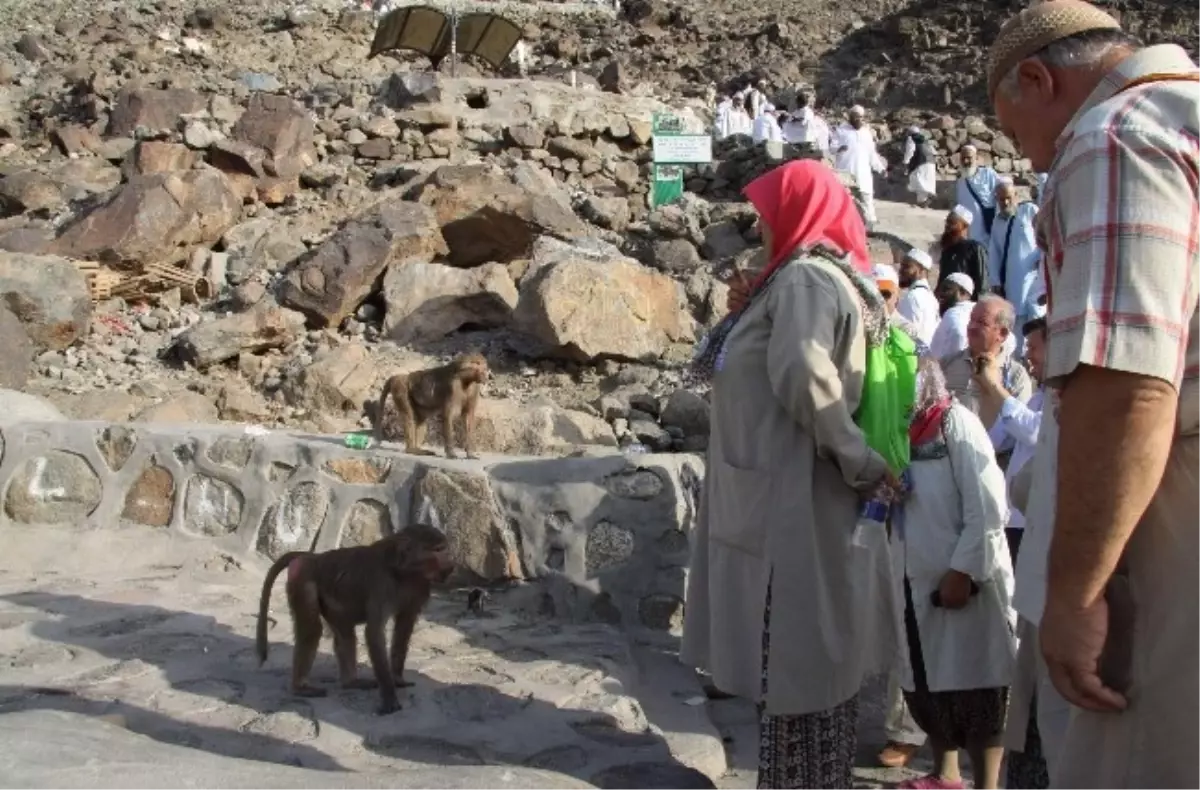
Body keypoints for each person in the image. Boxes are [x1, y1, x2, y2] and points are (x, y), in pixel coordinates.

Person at [988, 3, 1200, 788]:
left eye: (1019, 137)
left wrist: (1075, 591)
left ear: (1040, 79)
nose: (1036, 162)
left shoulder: (1114, 138)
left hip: (1169, 532)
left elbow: (1128, 384)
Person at [681, 159, 898, 790]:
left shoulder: (805, 279)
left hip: (794, 507)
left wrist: (859, 460)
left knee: (798, 680)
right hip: (783, 500)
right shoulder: (799, 281)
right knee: (799, 685)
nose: (761, 226)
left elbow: (806, 377)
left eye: (770, 213)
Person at [890, 356, 1017, 790]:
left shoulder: (955, 423)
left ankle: (985, 784)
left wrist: (963, 571)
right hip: (913, 581)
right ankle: (944, 775)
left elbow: (987, 507)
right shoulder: (896, 433)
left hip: (962, 583)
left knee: (980, 690)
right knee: (926, 686)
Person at [940, 294, 1033, 441]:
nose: (971, 326)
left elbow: (1020, 432)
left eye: (982, 322)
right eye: (971, 319)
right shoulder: (947, 364)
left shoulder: (1015, 376)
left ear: (1002, 334)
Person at [987, 181, 1039, 351]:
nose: (1006, 203)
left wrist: (1043, 259)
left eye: (1009, 198)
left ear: (1016, 196)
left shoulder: (1029, 211)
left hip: (1032, 278)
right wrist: (995, 281)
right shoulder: (998, 222)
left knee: (1035, 318)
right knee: (1015, 321)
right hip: (1010, 280)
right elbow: (994, 252)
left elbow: (1046, 235)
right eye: (1002, 200)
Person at [833, 105, 886, 228]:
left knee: (867, 202)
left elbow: (872, 154)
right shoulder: (841, 130)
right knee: (844, 202)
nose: (859, 120)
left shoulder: (866, 133)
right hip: (845, 172)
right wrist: (838, 148)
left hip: (863, 174)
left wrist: (881, 168)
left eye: (861, 117)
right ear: (850, 117)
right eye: (856, 117)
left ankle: (869, 229)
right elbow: (831, 147)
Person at [936, 206, 988, 300]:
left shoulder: (975, 248)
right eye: (947, 222)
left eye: (952, 223)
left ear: (965, 226)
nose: (948, 226)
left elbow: (982, 284)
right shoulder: (947, 250)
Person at [954, 144, 999, 244]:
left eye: (969, 158)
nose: (965, 161)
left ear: (977, 158)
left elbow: (1001, 195)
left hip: (988, 232)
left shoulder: (988, 174)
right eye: (963, 158)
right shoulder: (961, 181)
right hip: (968, 235)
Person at [897, 248, 940, 347]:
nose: (900, 270)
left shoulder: (913, 297)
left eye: (907, 267)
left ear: (922, 271)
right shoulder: (930, 298)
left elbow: (907, 336)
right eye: (902, 266)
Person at [928, 273, 974, 361]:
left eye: (946, 289)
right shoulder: (969, 311)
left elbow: (959, 333)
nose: (940, 293)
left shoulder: (954, 313)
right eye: (940, 289)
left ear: (962, 293)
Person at [902, 126, 938, 207]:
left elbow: (910, 151)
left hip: (921, 162)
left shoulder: (911, 139)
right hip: (931, 163)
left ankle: (927, 196)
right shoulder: (925, 140)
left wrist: (905, 162)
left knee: (915, 178)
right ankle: (923, 202)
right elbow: (934, 152)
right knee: (924, 182)